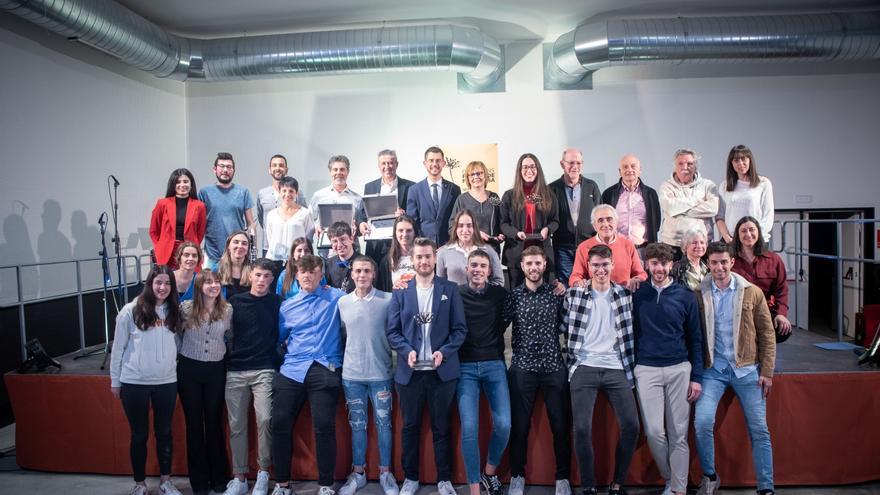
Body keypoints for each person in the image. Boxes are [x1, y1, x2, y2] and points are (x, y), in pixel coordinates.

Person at [385, 237, 467, 495]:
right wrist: (406, 350)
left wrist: (444, 351)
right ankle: (410, 478)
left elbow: (459, 330)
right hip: (410, 375)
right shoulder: (401, 291)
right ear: (412, 260)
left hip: (442, 373)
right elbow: (393, 331)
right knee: (410, 427)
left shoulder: (450, 289)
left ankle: (444, 479)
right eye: (418, 257)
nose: (423, 261)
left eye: (428, 256)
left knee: (442, 427)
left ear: (435, 258)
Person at [694, 242, 776, 495]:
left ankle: (766, 486)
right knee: (702, 422)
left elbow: (766, 333)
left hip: (747, 369)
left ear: (732, 262)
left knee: (759, 429)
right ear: (708, 263)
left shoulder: (751, 292)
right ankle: (710, 476)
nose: (719, 267)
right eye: (714, 262)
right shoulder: (699, 292)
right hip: (714, 370)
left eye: (723, 262)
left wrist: (767, 372)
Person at [562, 244, 639, 495]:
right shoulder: (574, 295)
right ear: (588, 267)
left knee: (631, 425)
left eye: (605, 264)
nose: (600, 269)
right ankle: (588, 486)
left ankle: (618, 484)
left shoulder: (625, 295)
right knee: (582, 428)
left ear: (612, 265)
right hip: (584, 365)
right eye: (595, 265)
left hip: (617, 366)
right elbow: (561, 326)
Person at [633, 243, 703, 495]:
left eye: (663, 263)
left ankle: (678, 489)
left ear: (671, 265)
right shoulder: (637, 294)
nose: (659, 268)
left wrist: (696, 377)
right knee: (654, 432)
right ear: (647, 265)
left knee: (679, 434)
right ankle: (670, 477)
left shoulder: (686, 296)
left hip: (679, 369)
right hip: (646, 369)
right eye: (654, 263)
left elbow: (696, 339)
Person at [272, 254, 345, 495]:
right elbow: (280, 339)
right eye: (303, 272)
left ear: (320, 274)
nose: (307, 276)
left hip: (325, 367)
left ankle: (325, 485)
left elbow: (362, 300)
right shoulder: (287, 306)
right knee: (279, 421)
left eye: (312, 271)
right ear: (297, 275)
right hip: (293, 368)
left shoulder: (336, 298)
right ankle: (282, 484)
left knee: (324, 425)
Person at [109, 265, 184, 495]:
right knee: (139, 435)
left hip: (166, 382)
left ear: (172, 287)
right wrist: (116, 381)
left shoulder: (175, 311)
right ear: (150, 284)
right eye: (158, 282)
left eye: (167, 283)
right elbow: (118, 348)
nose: (162, 287)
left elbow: (178, 344)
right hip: (135, 383)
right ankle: (140, 484)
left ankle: (165, 481)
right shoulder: (130, 310)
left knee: (164, 433)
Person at [505, 246, 571, 495]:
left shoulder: (557, 294)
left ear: (545, 266)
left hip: (554, 367)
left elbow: (570, 325)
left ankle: (563, 478)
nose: (533, 268)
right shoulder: (514, 296)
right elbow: (497, 326)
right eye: (529, 263)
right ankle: (517, 476)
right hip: (523, 368)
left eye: (538, 263)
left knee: (561, 425)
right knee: (519, 426)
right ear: (522, 267)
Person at [337, 256, 399, 495]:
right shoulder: (342, 303)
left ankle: (385, 473)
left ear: (373, 274)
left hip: (381, 374)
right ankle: (359, 473)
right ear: (351, 274)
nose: (362, 275)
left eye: (366, 271)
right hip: (352, 375)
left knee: (384, 425)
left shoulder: (388, 300)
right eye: (358, 271)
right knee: (357, 426)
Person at [222, 259, 281, 495]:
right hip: (236, 369)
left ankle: (263, 472)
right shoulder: (235, 302)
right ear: (250, 276)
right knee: (236, 425)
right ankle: (239, 477)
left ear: (272, 279)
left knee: (265, 419)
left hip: (264, 368)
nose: (262, 280)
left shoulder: (278, 303)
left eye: (267, 276)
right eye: (258, 275)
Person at [457, 249, 511, 495]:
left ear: (489, 271)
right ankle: (475, 488)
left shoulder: (500, 294)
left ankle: (489, 473)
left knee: (504, 425)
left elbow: (505, 321)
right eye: (474, 265)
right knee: (469, 428)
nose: (478, 269)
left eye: (482, 266)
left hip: (494, 364)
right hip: (465, 367)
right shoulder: (456, 294)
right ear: (466, 269)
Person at [178, 269, 232, 495]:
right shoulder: (186, 308)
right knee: (194, 425)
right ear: (199, 286)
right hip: (189, 369)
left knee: (213, 423)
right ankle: (198, 481)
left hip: (215, 370)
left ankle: (219, 477)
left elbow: (231, 337)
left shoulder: (227, 310)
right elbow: (176, 335)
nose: (214, 286)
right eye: (208, 282)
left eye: (217, 282)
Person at [501, 153, 559, 287]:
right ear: (519, 171)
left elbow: (555, 220)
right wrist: (515, 233)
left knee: (542, 294)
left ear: (538, 169)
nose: (529, 170)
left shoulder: (548, 194)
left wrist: (547, 229)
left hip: (542, 252)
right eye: (525, 167)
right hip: (516, 253)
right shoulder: (509, 195)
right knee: (516, 295)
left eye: (533, 167)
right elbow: (503, 224)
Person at [731, 216, 792, 342]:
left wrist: (781, 314)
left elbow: (782, 290)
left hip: (765, 312)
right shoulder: (731, 260)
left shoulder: (774, 259)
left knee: (783, 330)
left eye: (752, 230)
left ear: (758, 232)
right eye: (743, 231)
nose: (748, 234)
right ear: (738, 235)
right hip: (738, 312)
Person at [549, 148, 602, 284]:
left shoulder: (592, 186)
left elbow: (599, 215)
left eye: (578, 163)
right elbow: (549, 219)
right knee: (567, 287)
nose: (575, 167)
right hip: (563, 249)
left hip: (588, 247)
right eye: (571, 163)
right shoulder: (551, 189)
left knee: (589, 286)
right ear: (562, 164)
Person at [658, 148, 718, 259]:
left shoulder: (708, 185)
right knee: (674, 276)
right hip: (673, 244)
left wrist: (680, 210)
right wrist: (698, 201)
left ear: (696, 166)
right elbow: (670, 208)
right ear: (675, 166)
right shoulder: (666, 186)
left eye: (690, 163)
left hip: (701, 244)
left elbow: (713, 208)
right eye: (681, 163)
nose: (685, 167)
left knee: (702, 276)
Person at [569, 204, 646, 290]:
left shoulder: (628, 245)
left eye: (609, 220)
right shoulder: (583, 247)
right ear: (594, 226)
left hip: (624, 296)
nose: (606, 224)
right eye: (600, 220)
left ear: (616, 223)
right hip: (594, 296)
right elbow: (575, 277)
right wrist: (578, 282)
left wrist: (636, 280)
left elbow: (641, 274)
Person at [198, 153, 255, 269]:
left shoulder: (243, 192)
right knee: (211, 286)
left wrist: (252, 250)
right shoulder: (204, 193)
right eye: (222, 166)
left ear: (233, 170)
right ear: (215, 169)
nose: (225, 170)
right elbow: (199, 225)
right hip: (212, 254)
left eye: (229, 167)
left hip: (237, 254)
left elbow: (250, 223)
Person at [601, 154, 662, 263]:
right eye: (625, 167)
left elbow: (656, 222)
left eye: (633, 166)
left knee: (643, 279)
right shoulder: (608, 194)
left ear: (640, 170)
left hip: (643, 251)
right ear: (620, 171)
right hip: (616, 250)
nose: (629, 170)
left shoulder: (650, 194)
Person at [360, 149, 415, 265]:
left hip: (400, 243)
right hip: (375, 243)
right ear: (379, 166)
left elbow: (415, 216)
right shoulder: (369, 187)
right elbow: (362, 215)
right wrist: (361, 224)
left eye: (391, 163)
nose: (387, 166)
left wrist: (404, 216)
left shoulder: (410, 186)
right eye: (383, 163)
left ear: (397, 164)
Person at [716, 145, 775, 244]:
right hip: (732, 241)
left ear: (750, 160)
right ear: (731, 163)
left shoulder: (763, 183)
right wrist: (727, 237)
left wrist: (754, 237)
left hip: (756, 240)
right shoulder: (724, 185)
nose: (740, 163)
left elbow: (768, 215)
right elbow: (719, 216)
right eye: (736, 160)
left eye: (743, 159)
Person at [149, 168, 207, 268]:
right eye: (178, 182)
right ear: (173, 185)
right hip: (166, 252)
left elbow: (200, 233)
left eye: (185, 181)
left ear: (191, 184)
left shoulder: (200, 206)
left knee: (190, 282)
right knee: (167, 282)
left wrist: (192, 245)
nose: (182, 185)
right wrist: (160, 246)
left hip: (189, 251)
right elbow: (154, 231)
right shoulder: (162, 203)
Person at [405, 146, 461, 246]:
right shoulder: (414, 190)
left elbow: (457, 219)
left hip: (448, 245)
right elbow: (412, 222)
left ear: (443, 163)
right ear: (425, 163)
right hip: (423, 246)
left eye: (438, 160)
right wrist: (420, 243)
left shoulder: (454, 189)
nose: (434, 164)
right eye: (431, 160)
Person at [257, 154, 308, 256]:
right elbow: (261, 218)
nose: (277, 168)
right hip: (269, 247)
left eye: (281, 165)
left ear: (286, 169)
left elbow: (305, 220)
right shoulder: (262, 193)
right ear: (269, 169)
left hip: (293, 249)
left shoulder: (298, 193)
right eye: (274, 165)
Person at [309, 155, 364, 250]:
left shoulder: (357, 199)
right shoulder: (318, 196)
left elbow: (361, 226)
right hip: (326, 250)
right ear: (330, 172)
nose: (339, 173)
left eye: (342, 169)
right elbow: (309, 219)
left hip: (351, 250)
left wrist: (357, 227)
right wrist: (316, 226)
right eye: (335, 169)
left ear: (348, 172)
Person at [436, 210, 504, 286]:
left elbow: (499, 281)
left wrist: (483, 293)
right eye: (460, 226)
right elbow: (440, 284)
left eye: (469, 225)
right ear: (455, 228)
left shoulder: (489, 251)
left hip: (482, 297)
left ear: (475, 228)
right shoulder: (443, 253)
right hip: (454, 297)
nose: (465, 230)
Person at [450, 160, 504, 254]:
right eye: (472, 174)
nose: (476, 176)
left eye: (479, 173)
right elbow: (452, 227)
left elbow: (502, 220)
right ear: (467, 178)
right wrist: (475, 233)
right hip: (468, 251)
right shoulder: (462, 199)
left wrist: (502, 235)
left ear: (485, 175)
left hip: (492, 250)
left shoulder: (494, 197)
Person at [265, 176, 315, 275]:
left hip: (297, 261)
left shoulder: (304, 213)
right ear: (279, 192)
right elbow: (270, 237)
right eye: (284, 190)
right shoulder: (272, 215)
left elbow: (308, 237)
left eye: (291, 191)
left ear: (296, 193)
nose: (287, 194)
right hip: (274, 260)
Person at [377, 215, 417, 292]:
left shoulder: (423, 257)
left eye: (409, 230)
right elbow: (383, 291)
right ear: (395, 233)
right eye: (400, 230)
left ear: (414, 232)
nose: (404, 234)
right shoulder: (386, 261)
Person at [217, 231, 252, 298]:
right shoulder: (217, 269)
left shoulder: (253, 271)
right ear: (228, 247)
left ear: (248, 249)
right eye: (236, 242)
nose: (240, 246)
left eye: (244, 244)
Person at [325, 221, 357, 293]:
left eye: (343, 239)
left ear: (351, 239)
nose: (339, 245)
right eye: (335, 241)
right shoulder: (328, 264)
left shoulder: (365, 263)